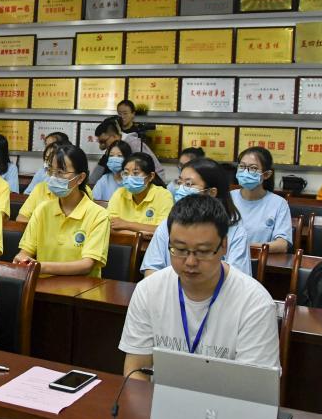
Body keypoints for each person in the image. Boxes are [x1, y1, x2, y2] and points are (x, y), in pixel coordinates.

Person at [119, 195, 280, 381]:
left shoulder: (255, 303)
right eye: (180, 249)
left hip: (226, 399)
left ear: (224, 246)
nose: (190, 262)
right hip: (158, 397)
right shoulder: (148, 290)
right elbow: (136, 371)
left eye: (203, 251)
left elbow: (254, 385)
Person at [141, 158, 251, 276]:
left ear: (211, 192)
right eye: (180, 183)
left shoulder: (236, 233)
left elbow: (237, 278)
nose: (181, 189)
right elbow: (151, 268)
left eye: (189, 184)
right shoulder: (167, 225)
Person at [14, 144, 110, 277]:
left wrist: (41, 266)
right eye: (51, 171)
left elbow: (87, 265)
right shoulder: (42, 210)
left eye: (60, 172)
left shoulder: (98, 215)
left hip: (81, 287)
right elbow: (26, 251)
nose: (53, 177)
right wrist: (21, 259)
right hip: (42, 283)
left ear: (80, 178)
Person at [231, 147, 292, 254]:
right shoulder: (227, 198)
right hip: (226, 260)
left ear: (267, 174)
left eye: (253, 168)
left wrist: (244, 247)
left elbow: (282, 245)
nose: (245, 172)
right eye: (242, 166)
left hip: (260, 260)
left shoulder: (279, 203)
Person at [107, 152, 173, 234]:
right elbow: (109, 226)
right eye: (126, 173)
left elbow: (163, 230)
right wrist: (140, 234)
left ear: (151, 176)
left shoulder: (163, 195)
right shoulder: (119, 193)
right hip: (121, 242)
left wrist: (127, 224)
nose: (129, 178)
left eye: (135, 173)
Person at [89, 116, 164, 186]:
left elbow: (157, 171)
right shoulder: (112, 148)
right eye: (99, 142)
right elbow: (93, 179)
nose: (102, 146)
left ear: (114, 136)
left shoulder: (134, 144)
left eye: (103, 141)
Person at [17, 143, 61, 221]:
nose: (48, 163)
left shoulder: (74, 191)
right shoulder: (40, 187)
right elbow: (21, 218)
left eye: (52, 159)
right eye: (46, 159)